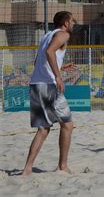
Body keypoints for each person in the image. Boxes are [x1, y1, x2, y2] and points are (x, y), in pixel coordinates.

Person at [22, 11, 77, 176]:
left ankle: (28, 168)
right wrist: (58, 76)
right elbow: (49, 53)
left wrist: (61, 66)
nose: (74, 23)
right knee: (67, 125)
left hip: (36, 84)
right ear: (66, 23)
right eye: (72, 21)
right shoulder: (63, 35)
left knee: (43, 129)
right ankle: (62, 166)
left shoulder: (47, 35)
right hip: (49, 86)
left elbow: (38, 60)